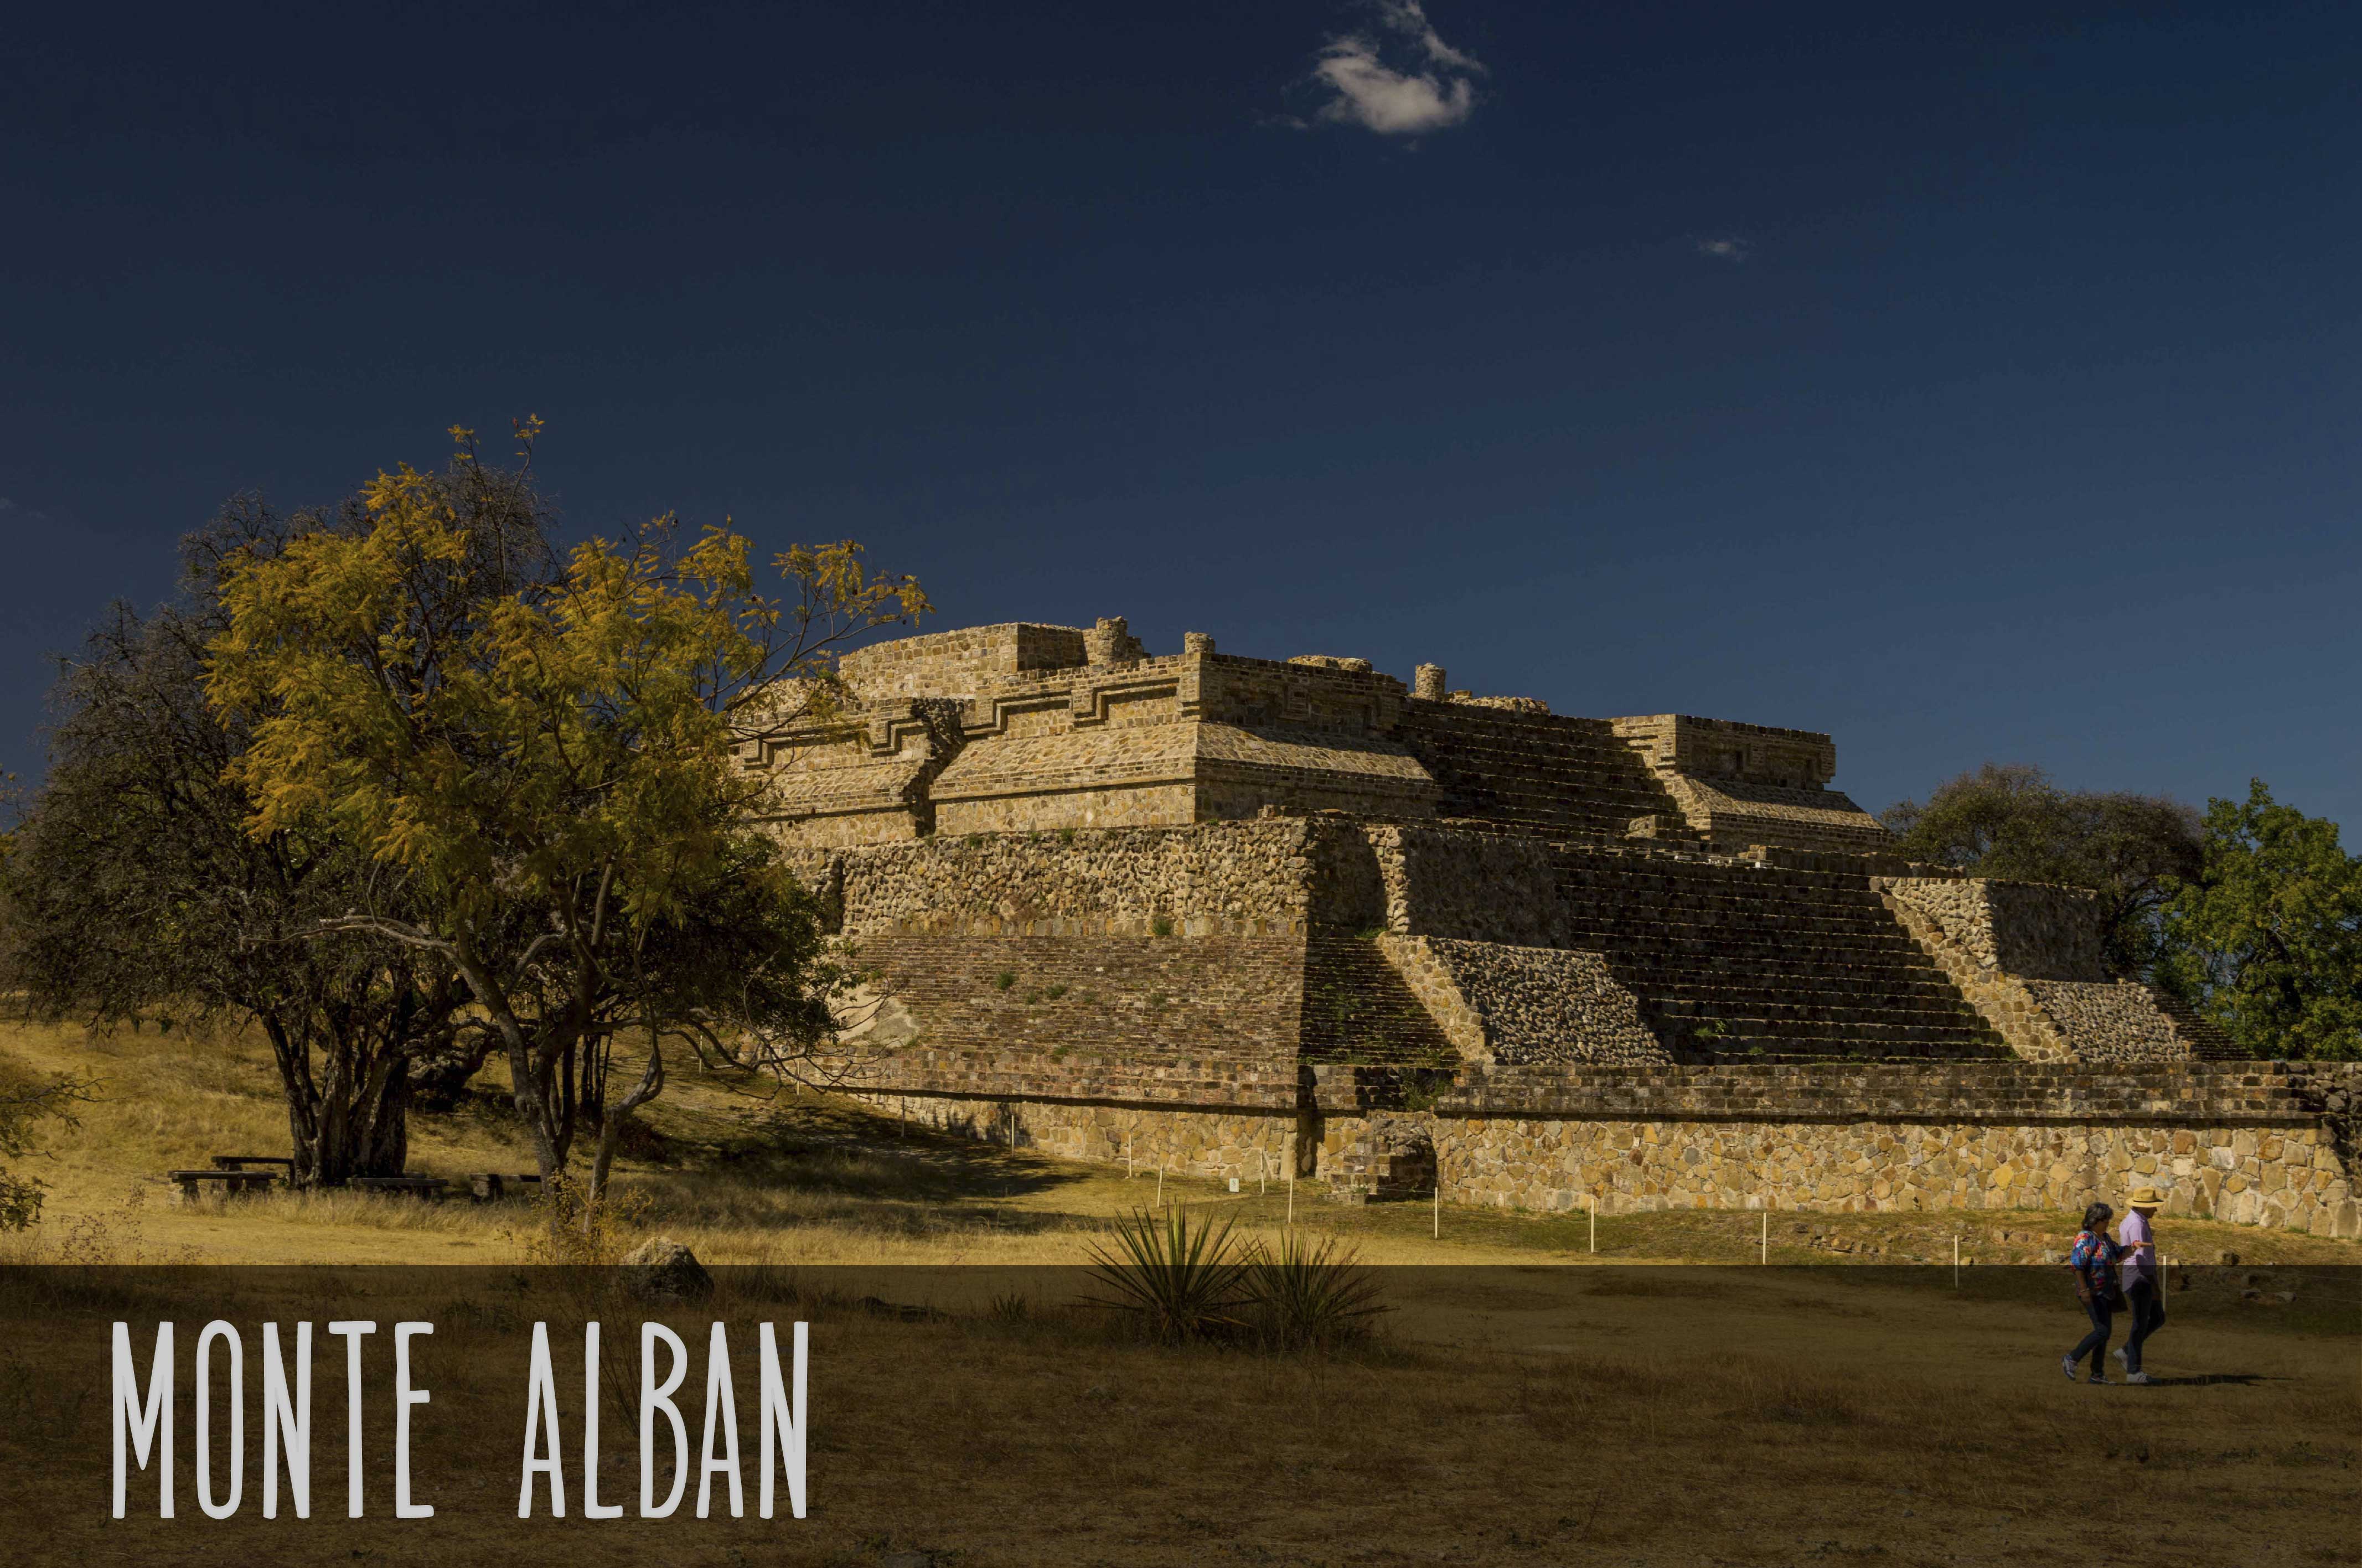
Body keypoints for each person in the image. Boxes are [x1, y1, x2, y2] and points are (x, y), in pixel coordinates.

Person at [2062, 1200, 2122, 1384]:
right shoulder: (2085, 1238)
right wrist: (2084, 1289)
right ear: (2095, 1220)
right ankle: (2072, 1358)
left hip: (2106, 1292)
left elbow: (2117, 1255)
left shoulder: (2105, 1238)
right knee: (2102, 1331)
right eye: (2105, 1220)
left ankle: (2097, 1374)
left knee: (2105, 1332)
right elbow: (2078, 1264)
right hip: (2092, 1292)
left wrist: (2134, 1247)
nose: (2108, 1223)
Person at [2113, 1185, 2167, 1385]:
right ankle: (2134, 1371)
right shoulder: (2138, 1225)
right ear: (2143, 1207)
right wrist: (2154, 1285)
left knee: (2157, 1318)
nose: (2155, 1210)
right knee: (2141, 1323)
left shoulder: (2133, 1221)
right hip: (2140, 1278)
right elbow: (2142, 1259)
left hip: (2135, 1276)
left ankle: (2126, 1352)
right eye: (2153, 1206)